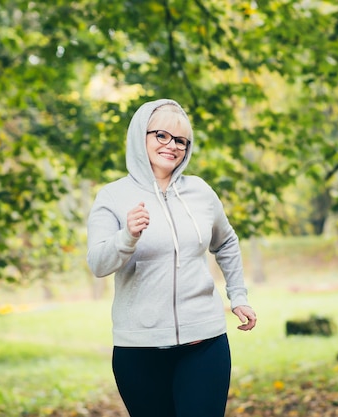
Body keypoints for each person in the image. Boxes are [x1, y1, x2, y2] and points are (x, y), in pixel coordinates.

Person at [86, 98, 257, 417]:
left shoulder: (201, 192)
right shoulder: (112, 196)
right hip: (139, 349)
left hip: (203, 342)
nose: (172, 145)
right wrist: (128, 237)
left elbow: (227, 242)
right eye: (161, 135)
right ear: (142, 136)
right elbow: (98, 263)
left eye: (181, 140)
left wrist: (238, 295)